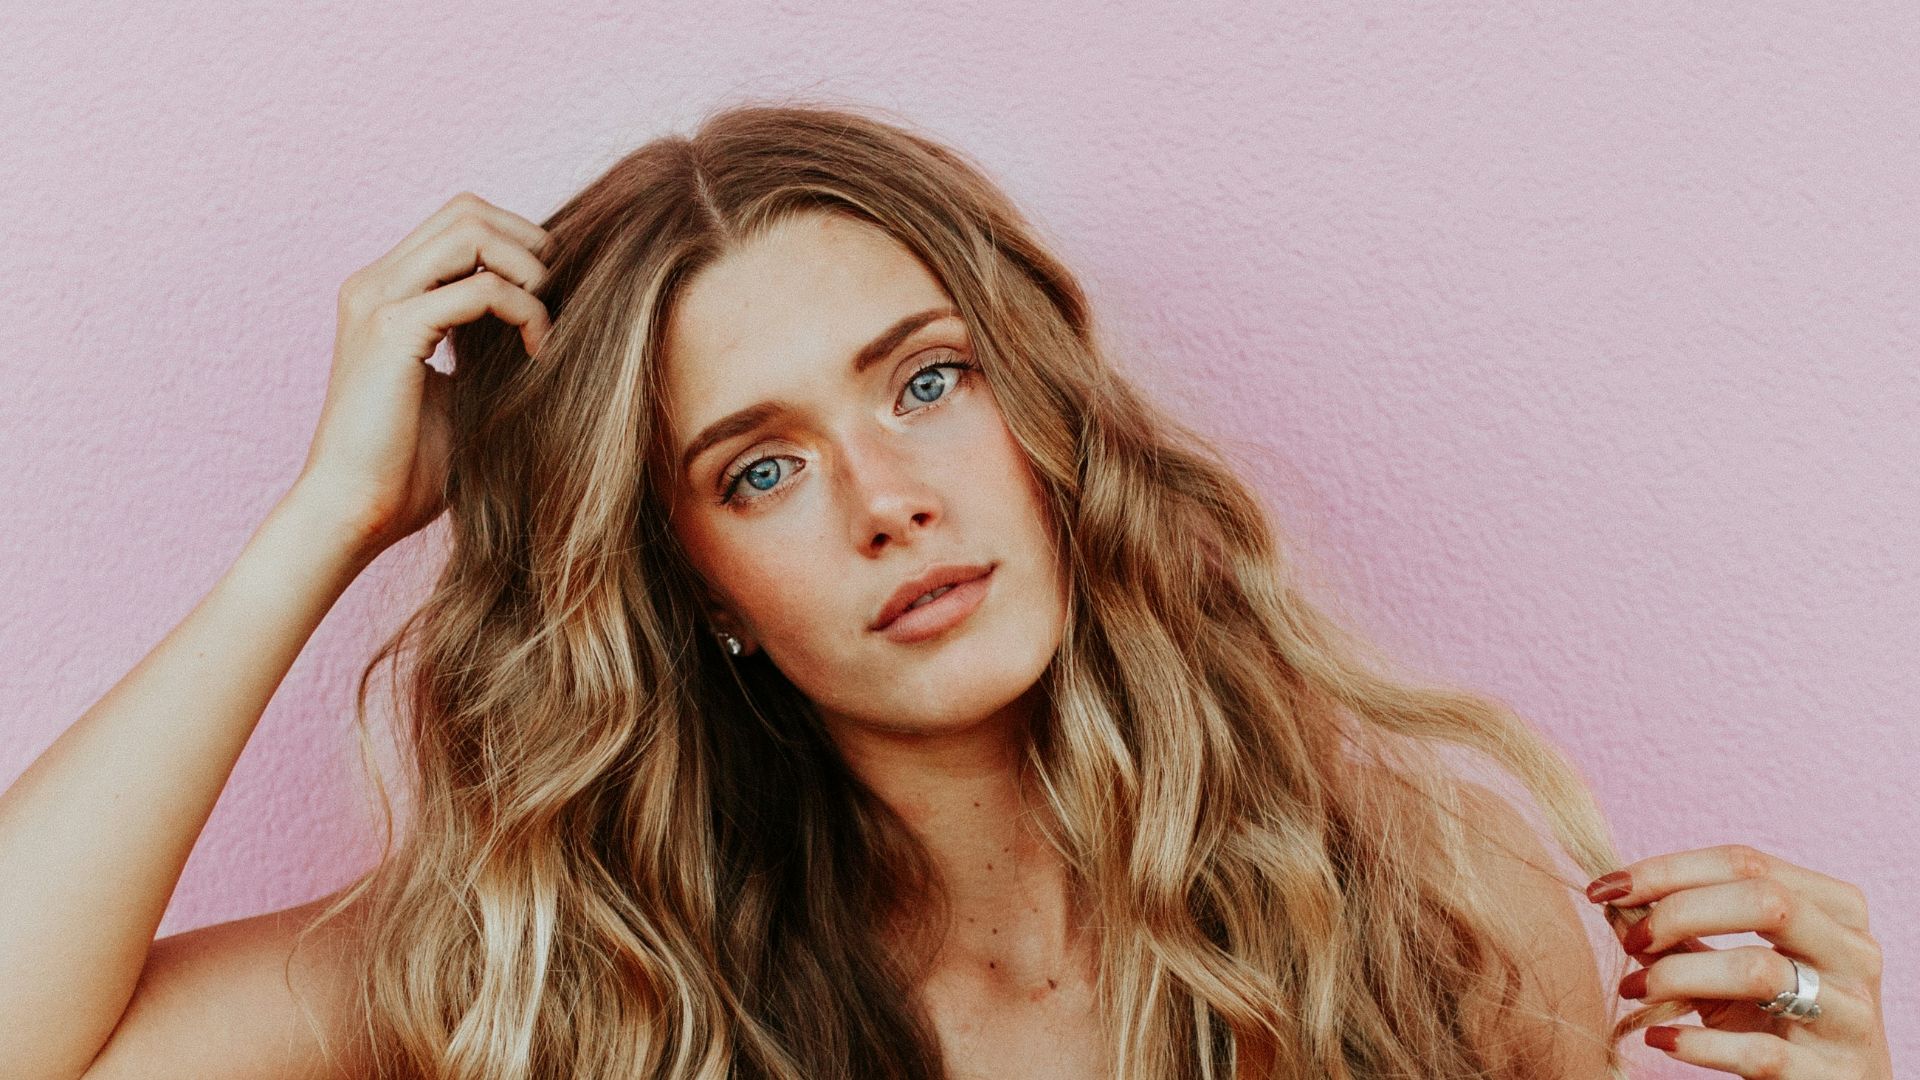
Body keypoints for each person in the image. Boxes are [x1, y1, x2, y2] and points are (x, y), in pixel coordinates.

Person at [0, 101, 1890, 1080]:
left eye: (926, 380)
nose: (886, 501)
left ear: (1046, 421)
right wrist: (331, 514)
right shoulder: (573, 974)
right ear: (697, 584)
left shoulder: (1418, 919)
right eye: (758, 467)